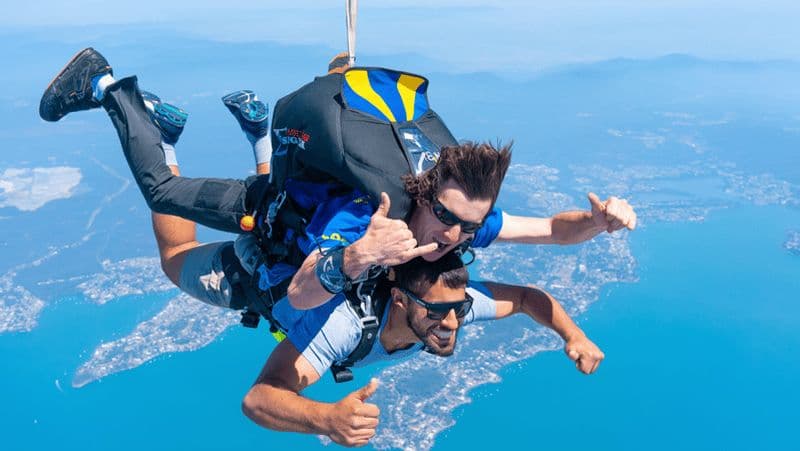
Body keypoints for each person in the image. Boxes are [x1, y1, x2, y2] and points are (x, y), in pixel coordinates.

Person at [38, 47, 636, 322]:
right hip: (266, 212)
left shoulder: (459, 230)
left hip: (292, 210)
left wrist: (599, 222)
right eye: (450, 218)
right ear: (423, 193)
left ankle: (212, 127)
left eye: (471, 225)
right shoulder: (372, 216)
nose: (456, 237)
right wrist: (359, 255)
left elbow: (553, 231)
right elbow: (301, 293)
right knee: (165, 198)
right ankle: (106, 84)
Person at [243, 251, 603, 446]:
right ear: (400, 300)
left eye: (459, 310)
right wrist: (326, 420)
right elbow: (258, 399)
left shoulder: (449, 303)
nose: (452, 324)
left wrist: (573, 335)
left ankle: (257, 136)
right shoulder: (345, 325)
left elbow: (525, 298)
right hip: (253, 278)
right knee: (183, 252)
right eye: (437, 313)